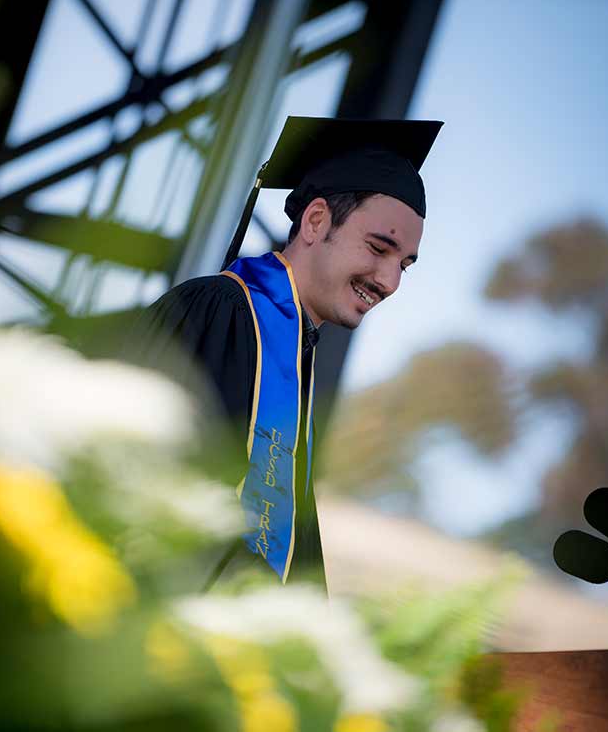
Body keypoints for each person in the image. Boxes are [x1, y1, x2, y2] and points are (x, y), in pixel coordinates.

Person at [137, 117, 443, 592]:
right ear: (316, 221)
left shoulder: (299, 372)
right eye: (379, 248)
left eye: (404, 264)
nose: (390, 282)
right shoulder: (216, 311)